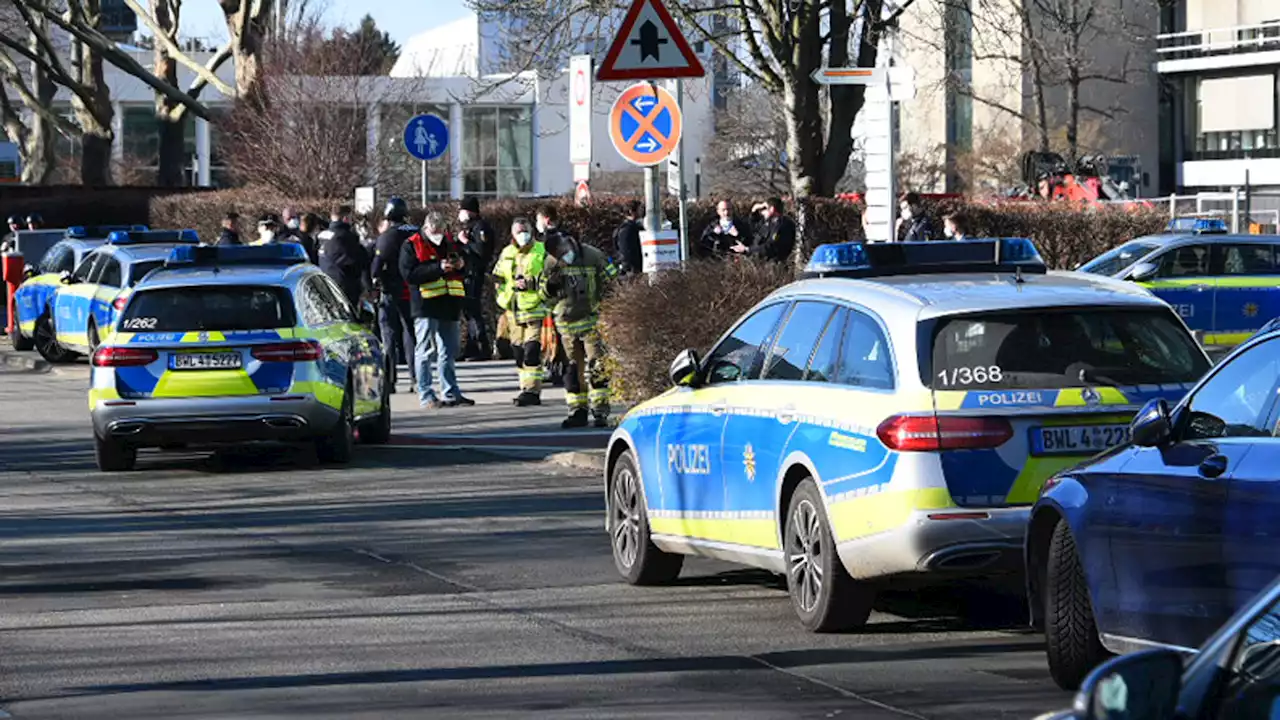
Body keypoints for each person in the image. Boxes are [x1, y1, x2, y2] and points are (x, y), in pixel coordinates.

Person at [537, 205, 613, 428]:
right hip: (566, 324)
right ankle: (576, 411)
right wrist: (550, 287)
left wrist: (606, 307)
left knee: (597, 365)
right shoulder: (551, 262)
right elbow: (543, 296)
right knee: (571, 369)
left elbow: (613, 280)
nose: (564, 255)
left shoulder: (593, 256)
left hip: (592, 320)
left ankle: (600, 412)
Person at [399, 211, 474, 409]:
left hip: (449, 303)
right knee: (425, 351)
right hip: (425, 305)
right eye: (434, 231)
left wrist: (461, 264)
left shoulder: (449, 243)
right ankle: (426, 395)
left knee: (448, 351)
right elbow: (410, 274)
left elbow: (466, 264)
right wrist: (438, 268)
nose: (437, 235)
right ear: (426, 228)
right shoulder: (411, 245)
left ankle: (450, 392)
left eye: (440, 231)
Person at [493, 217, 548, 406]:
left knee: (532, 350)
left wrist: (532, 284)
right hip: (513, 310)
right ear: (512, 234)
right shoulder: (506, 253)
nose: (522, 234)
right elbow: (498, 278)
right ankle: (524, 387)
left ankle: (532, 391)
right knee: (518, 351)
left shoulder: (542, 250)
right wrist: (503, 296)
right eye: (519, 231)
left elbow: (552, 278)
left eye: (525, 230)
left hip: (535, 308)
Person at [372, 197, 418, 393]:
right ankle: (416, 378)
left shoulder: (387, 236)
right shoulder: (416, 232)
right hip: (413, 290)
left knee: (388, 334)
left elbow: (376, 265)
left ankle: (389, 380)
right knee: (411, 334)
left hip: (391, 290)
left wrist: (375, 280)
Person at [456, 196, 494, 361]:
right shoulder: (470, 227)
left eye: (462, 210)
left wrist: (465, 242)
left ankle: (481, 347)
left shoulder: (480, 228)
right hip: (467, 273)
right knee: (468, 311)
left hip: (474, 274)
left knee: (473, 311)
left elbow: (481, 251)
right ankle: (471, 347)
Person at [317, 204, 371, 309]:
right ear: (345, 218)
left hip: (325, 283)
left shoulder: (322, 235)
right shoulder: (346, 236)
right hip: (345, 287)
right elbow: (360, 261)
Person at [753, 197, 796, 263]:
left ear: (772, 209)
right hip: (762, 260)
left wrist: (750, 250)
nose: (762, 212)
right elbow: (753, 230)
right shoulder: (769, 221)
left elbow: (771, 245)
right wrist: (754, 211)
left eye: (765, 209)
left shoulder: (783, 224)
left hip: (773, 263)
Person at [611, 200, 643, 274]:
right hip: (632, 270)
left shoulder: (622, 228)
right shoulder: (629, 229)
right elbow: (627, 252)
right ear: (631, 211)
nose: (641, 213)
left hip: (628, 268)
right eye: (639, 210)